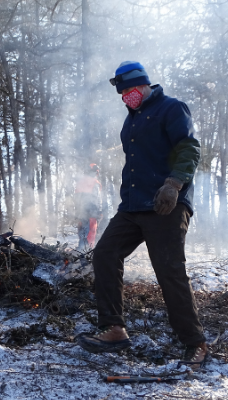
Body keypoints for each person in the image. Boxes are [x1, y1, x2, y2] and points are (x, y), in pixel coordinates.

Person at [76, 61, 208, 369]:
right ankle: (113, 329)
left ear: (143, 85)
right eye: (122, 94)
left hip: (166, 203)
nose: (126, 97)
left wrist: (174, 184)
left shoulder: (172, 108)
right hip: (133, 206)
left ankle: (195, 344)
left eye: (129, 91)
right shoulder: (130, 121)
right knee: (105, 253)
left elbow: (189, 148)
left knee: (169, 271)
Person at [75, 164, 102, 250]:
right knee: (90, 234)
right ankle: (86, 255)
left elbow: (76, 199)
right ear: (96, 172)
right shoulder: (94, 183)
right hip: (91, 212)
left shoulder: (80, 183)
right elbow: (96, 199)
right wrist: (99, 212)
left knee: (82, 233)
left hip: (81, 212)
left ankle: (81, 252)